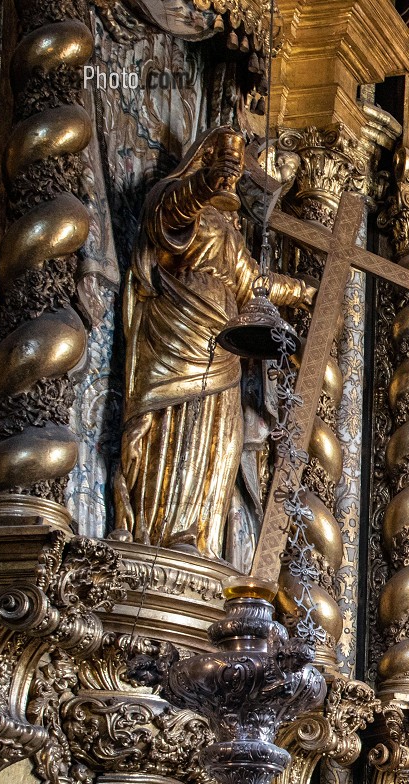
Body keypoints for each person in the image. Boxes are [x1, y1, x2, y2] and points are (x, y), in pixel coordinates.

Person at [113, 127, 314, 557]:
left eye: (233, 170)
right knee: (179, 424)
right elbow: (166, 219)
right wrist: (204, 184)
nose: (229, 178)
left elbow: (252, 285)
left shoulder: (230, 230)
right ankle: (165, 532)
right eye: (224, 166)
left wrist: (301, 291)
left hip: (223, 343)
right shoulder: (177, 199)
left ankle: (199, 535)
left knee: (220, 437)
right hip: (179, 329)